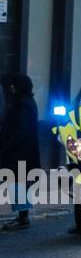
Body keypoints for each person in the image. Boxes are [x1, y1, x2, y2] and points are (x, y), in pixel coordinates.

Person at [1, 75, 39, 231]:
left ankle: (22, 218)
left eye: (13, 85)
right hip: (22, 150)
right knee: (17, 182)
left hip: (19, 151)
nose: (11, 88)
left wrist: (8, 145)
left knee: (17, 183)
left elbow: (20, 130)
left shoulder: (22, 104)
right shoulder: (26, 102)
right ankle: (22, 217)